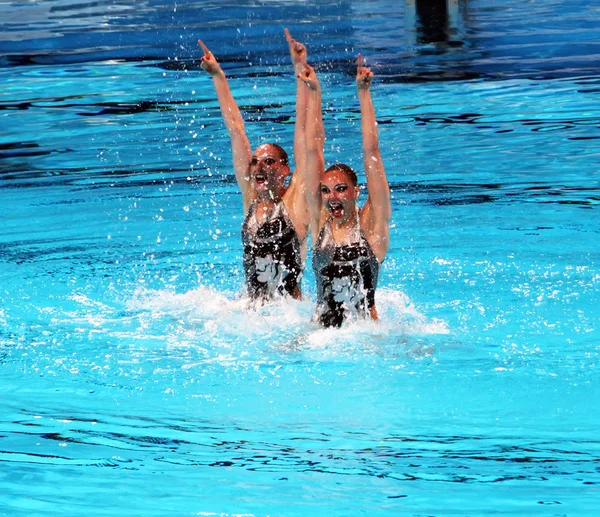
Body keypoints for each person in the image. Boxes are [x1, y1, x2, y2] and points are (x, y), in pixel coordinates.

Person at [198, 30, 310, 302]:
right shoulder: (251, 198)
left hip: (289, 313)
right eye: (256, 161)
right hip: (250, 311)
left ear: (286, 170)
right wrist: (218, 76)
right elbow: (236, 130)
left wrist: (300, 70)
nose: (259, 166)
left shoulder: (296, 200)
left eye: (269, 161)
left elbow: (305, 135)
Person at [299, 55, 391, 327]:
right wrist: (315, 94)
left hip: (363, 336)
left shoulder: (372, 226)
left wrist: (363, 94)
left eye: (341, 189)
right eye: (326, 191)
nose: (332, 197)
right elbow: (313, 149)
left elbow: (371, 152)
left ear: (356, 192)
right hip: (319, 332)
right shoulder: (320, 223)